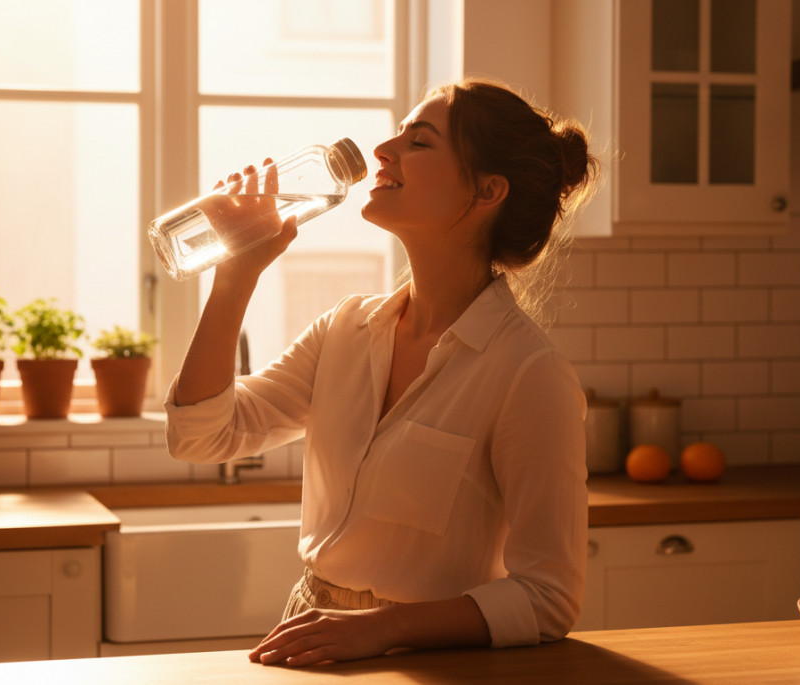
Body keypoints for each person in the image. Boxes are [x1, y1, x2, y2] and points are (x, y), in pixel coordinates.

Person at [164, 77, 597, 667]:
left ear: (487, 190)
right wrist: (237, 274)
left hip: (434, 663)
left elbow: (548, 599)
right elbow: (199, 436)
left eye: (418, 142)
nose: (381, 152)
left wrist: (384, 628)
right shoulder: (345, 330)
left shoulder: (529, 374)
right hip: (313, 642)